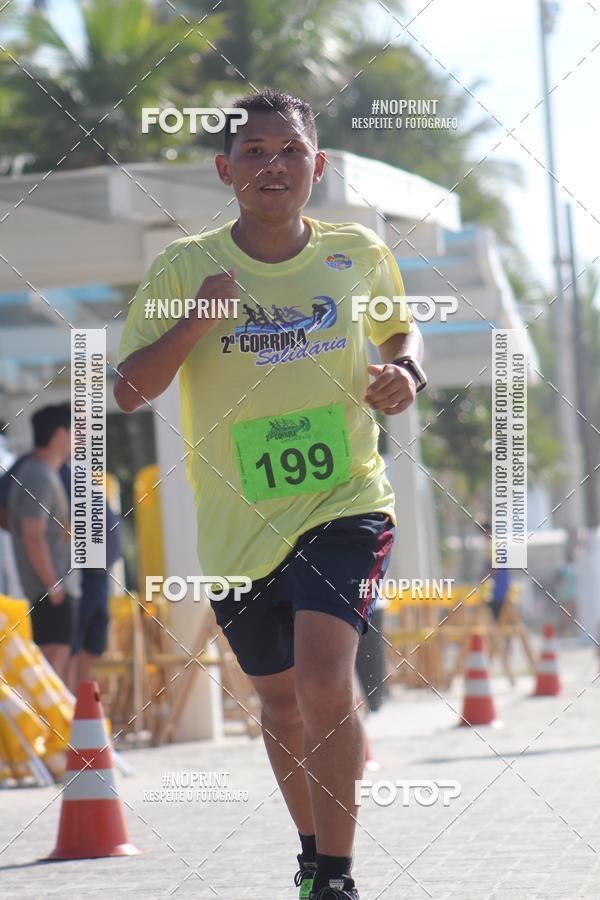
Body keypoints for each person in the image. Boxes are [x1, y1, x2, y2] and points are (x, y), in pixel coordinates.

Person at [114, 89, 426, 900]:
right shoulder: (183, 268)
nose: (273, 165)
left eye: (289, 150)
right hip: (236, 525)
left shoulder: (358, 252)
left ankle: (337, 878)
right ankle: (311, 852)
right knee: (282, 707)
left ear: (316, 166)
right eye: (254, 153)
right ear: (226, 171)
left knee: (327, 679)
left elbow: (399, 329)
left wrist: (407, 370)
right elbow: (125, 391)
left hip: (346, 497)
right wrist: (193, 324)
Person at [5, 404, 74, 680]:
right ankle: (50, 724)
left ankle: (56, 722)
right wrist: (53, 584)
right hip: (48, 588)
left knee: (58, 659)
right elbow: (32, 535)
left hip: (53, 585)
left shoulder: (44, 473)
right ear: (60, 433)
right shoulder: (38, 475)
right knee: (52, 662)